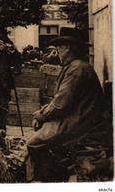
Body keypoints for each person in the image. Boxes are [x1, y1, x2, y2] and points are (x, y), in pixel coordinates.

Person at [26, 35, 110, 182]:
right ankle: (55, 172)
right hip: (76, 115)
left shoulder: (76, 69)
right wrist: (43, 112)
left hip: (81, 119)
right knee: (41, 132)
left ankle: (54, 177)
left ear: (68, 48)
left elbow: (60, 104)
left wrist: (41, 115)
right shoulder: (74, 66)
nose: (57, 52)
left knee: (33, 143)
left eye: (59, 48)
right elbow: (60, 99)